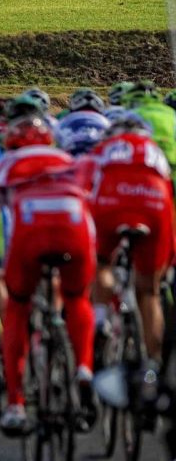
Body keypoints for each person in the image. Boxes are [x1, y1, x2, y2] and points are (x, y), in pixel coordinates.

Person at [0, 115, 97, 436]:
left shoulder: (6, 163)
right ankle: (84, 366)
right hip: (75, 228)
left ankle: (15, 403)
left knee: (17, 307)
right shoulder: (66, 159)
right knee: (77, 298)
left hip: (31, 233)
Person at [80, 113, 174, 369]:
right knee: (150, 291)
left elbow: (84, 188)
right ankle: (153, 365)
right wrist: (168, 259)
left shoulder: (105, 147)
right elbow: (170, 205)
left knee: (101, 263)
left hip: (111, 202)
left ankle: (100, 320)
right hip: (154, 203)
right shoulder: (156, 151)